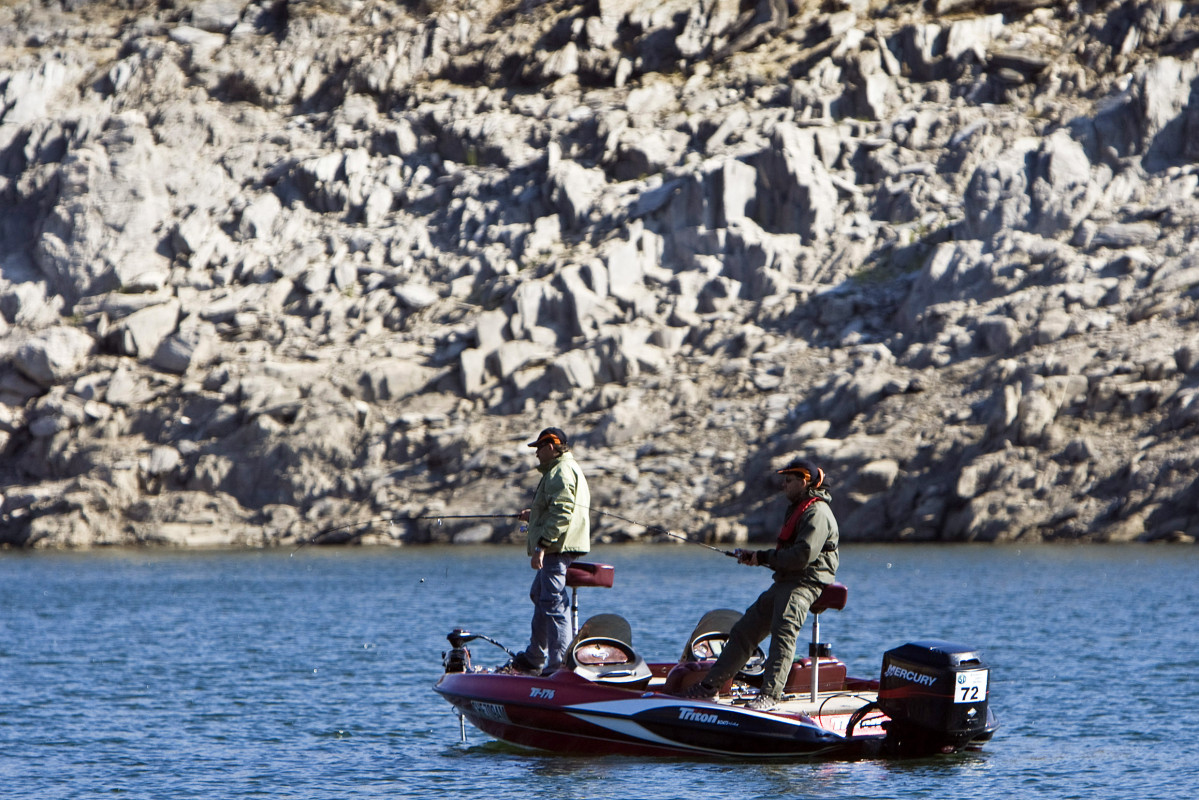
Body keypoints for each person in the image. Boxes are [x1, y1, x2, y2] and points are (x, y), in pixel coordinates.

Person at [680, 458, 839, 710]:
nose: (784, 485)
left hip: (804, 585)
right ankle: (709, 688)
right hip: (785, 583)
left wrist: (763, 557)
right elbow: (787, 558)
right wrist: (757, 557)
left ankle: (770, 697)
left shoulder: (817, 513)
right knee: (743, 631)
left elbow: (801, 557)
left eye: (788, 481)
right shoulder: (799, 508)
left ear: (804, 482)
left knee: (782, 637)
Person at [500, 426, 591, 676]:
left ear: (551, 446)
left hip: (556, 547)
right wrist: (535, 515)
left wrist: (542, 545)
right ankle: (534, 656)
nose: (537, 454)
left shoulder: (560, 471)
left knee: (553, 603)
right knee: (539, 593)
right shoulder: (562, 469)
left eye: (539, 448)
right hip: (558, 545)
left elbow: (562, 514)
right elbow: (557, 508)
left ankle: (559, 665)